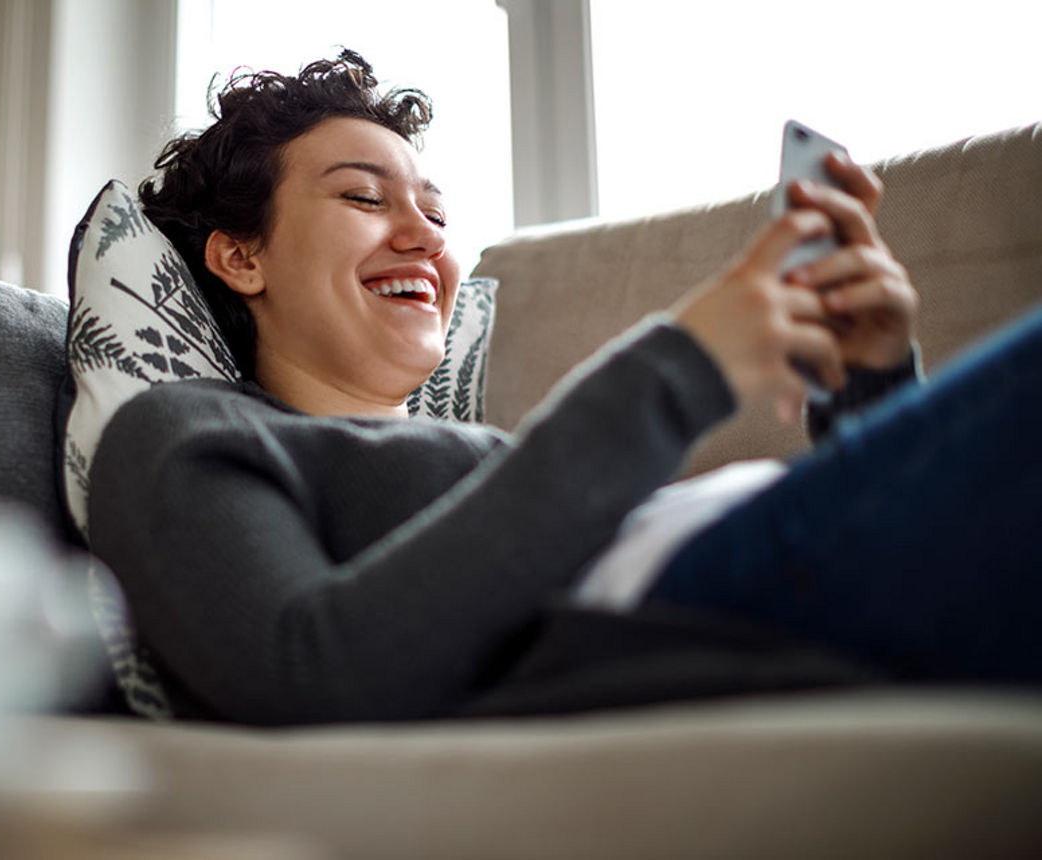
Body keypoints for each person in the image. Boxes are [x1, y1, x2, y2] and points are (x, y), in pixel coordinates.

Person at [88, 50, 1041, 725]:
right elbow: (308, 671)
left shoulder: (480, 454)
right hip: (698, 601)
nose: (423, 237)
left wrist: (871, 376)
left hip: (776, 542)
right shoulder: (178, 431)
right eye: (365, 198)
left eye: (435, 213)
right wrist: (684, 365)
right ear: (240, 255)